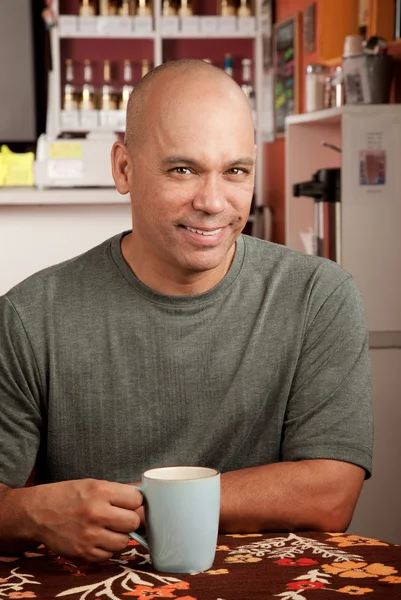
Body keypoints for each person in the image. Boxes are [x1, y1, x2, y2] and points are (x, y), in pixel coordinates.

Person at [0, 59, 373, 563]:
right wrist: (31, 512)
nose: (214, 202)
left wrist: (137, 504)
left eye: (236, 171)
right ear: (124, 168)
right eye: (184, 169)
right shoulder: (29, 317)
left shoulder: (317, 296)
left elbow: (331, 492)